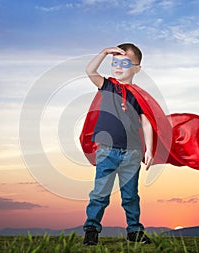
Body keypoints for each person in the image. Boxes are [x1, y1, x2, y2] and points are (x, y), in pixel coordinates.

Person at [82, 43, 153, 245]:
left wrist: (148, 149)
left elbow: (147, 123)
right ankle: (91, 229)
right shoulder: (107, 85)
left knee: (130, 195)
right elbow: (90, 70)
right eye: (115, 62)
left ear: (137, 68)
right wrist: (104, 52)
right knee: (100, 193)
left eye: (125, 62)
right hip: (107, 151)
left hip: (132, 153)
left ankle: (134, 231)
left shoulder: (139, 95)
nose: (118, 66)